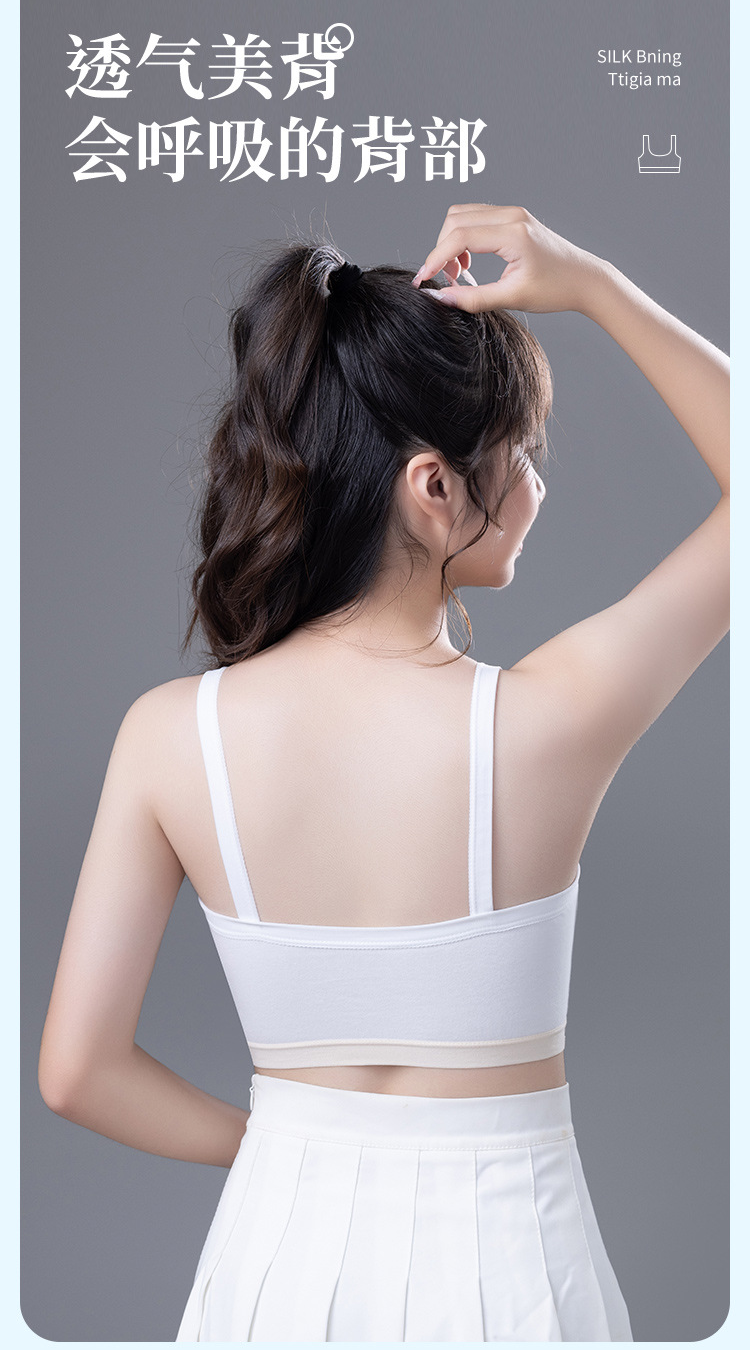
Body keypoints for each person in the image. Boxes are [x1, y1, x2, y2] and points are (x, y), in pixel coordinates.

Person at [38, 203, 729, 1342]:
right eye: (521, 455)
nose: (537, 487)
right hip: (515, 1276)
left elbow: (77, 1072)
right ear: (432, 487)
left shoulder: (168, 735)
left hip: (275, 1269)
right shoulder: (545, 723)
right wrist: (594, 284)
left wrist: (290, 1147)